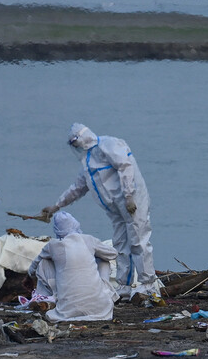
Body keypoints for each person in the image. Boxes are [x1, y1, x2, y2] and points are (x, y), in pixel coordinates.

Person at [40, 123, 159, 298]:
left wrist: (128, 195)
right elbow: (78, 188)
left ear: (82, 137)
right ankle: (124, 286)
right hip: (116, 209)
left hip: (132, 203)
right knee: (121, 244)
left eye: (75, 142)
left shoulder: (107, 145)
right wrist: (56, 206)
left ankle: (148, 285)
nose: (76, 147)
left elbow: (125, 166)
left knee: (138, 242)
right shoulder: (88, 162)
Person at [27, 211, 118, 321]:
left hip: (68, 309)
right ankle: (109, 294)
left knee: (43, 263)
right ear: (75, 224)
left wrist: (29, 276)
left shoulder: (52, 245)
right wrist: (93, 254)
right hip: (99, 308)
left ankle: (46, 297)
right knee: (104, 260)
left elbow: (34, 266)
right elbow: (113, 254)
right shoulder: (88, 239)